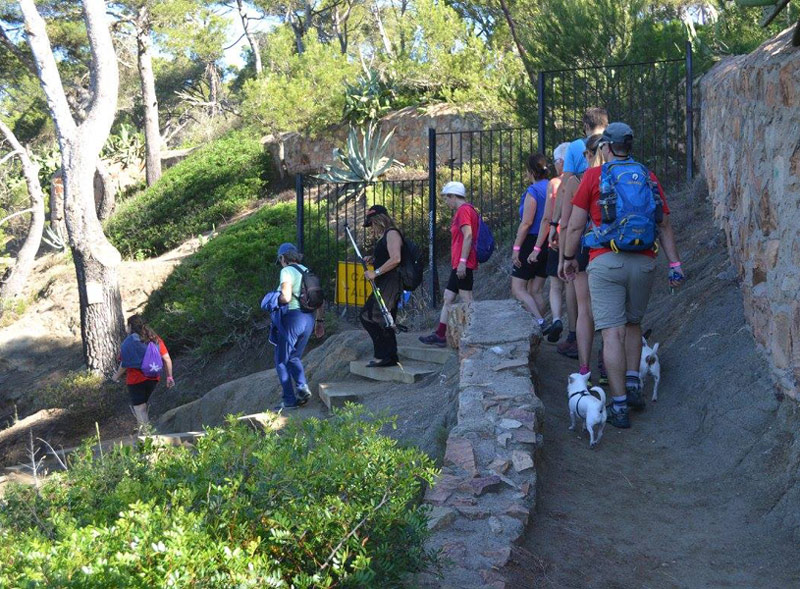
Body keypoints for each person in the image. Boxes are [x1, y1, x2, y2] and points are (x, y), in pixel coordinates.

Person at [562, 122, 684, 429]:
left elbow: (575, 225)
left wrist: (567, 258)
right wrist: (674, 264)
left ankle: (617, 406)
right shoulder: (648, 175)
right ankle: (633, 385)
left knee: (611, 332)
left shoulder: (593, 176)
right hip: (644, 262)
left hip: (605, 262)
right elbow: (664, 223)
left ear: (605, 147)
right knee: (633, 325)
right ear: (629, 146)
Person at [555, 107, 608, 360]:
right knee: (612, 311)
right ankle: (610, 364)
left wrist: (564, 257)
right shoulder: (620, 170)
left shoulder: (580, 178)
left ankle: (584, 364)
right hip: (616, 246)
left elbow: (570, 223)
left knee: (586, 308)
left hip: (587, 247)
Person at [419, 181, 479, 347]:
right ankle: (440, 334)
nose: (446, 202)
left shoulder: (463, 211)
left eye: (447, 198)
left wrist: (462, 262)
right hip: (460, 263)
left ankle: (476, 331)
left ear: (453, 196)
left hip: (463, 263)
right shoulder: (466, 210)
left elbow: (468, 236)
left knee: (466, 297)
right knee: (448, 297)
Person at [270, 242, 325, 410]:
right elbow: (320, 299)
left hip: (293, 319)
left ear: (282, 258)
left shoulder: (286, 271)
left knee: (281, 360)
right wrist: (319, 322)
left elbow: (286, 297)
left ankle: (289, 400)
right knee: (293, 357)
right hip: (308, 319)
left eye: (280, 259)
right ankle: (301, 388)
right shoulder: (306, 270)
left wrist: (272, 299)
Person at [530, 141, 570, 343]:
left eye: (556, 161)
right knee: (573, 285)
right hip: (577, 238)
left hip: (557, 238)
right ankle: (575, 327)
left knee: (555, 285)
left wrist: (537, 247)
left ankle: (556, 319)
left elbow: (547, 218)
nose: (554, 165)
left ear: (562, 161)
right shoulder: (581, 179)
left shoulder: (555, 183)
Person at [113, 314, 174, 434]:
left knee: (140, 409)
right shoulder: (154, 338)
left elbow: (124, 363)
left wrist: (116, 376)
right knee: (147, 407)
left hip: (136, 380)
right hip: (153, 378)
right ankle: (150, 434)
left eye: (127, 326)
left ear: (130, 326)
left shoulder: (129, 342)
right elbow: (167, 358)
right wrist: (169, 377)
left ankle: (146, 437)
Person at [360, 205, 403, 367]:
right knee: (384, 317)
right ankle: (389, 356)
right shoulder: (386, 235)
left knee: (370, 316)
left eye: (372, 224)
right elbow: (387, 256)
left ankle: (384, 356)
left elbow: (396, 259)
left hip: (390, 282)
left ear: (378, 220)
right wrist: (373, 259)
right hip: (385, 282)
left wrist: (375, 272)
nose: (372, 229)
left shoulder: (392, 233)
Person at [511, 153, 550, 329]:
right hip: (548, 241)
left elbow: (526, 223)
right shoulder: (553, 186)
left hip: (531, 241)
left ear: (531, 171)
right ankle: (539, 327)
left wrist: (516, 248)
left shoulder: (533, 192)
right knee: (537, 290)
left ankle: (539, 322)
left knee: (518, 288)